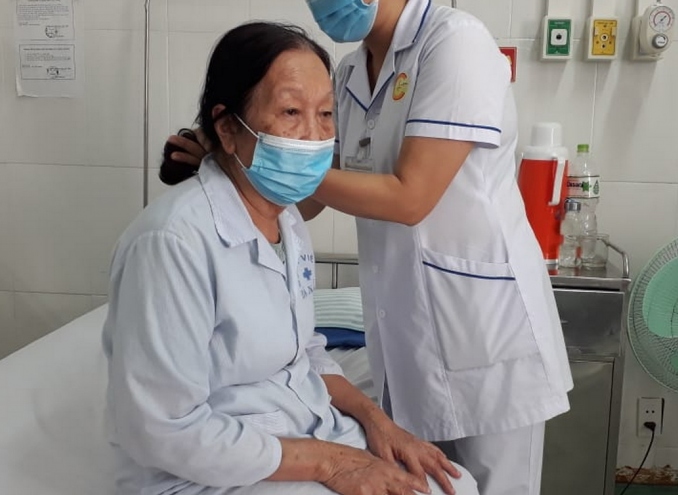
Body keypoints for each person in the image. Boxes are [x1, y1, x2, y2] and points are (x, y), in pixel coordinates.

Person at [164, 2, 574, 494]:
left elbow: (409, 198)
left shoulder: (455, 43)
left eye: (313, 114)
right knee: (431, 483)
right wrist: (239, 167)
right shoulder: (350, 73)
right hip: (406, 337)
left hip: (484, 333)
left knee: (487, 487)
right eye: (292, 113)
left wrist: (267, 157)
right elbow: (310, 199)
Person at [104, 21, 479, 495]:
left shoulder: (286, 221)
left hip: (300, 429)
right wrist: (330, 464)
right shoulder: (171, 242)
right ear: (227, 128)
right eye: (290, 112)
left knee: (456, 486)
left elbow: (304, 352)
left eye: (325, 114)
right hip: (211, 469)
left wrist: (378, 422)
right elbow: (161, 428)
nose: (313, 136)